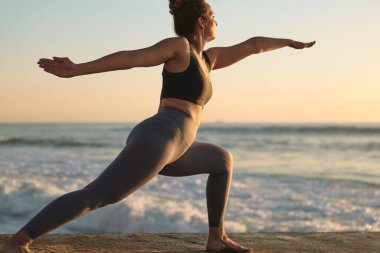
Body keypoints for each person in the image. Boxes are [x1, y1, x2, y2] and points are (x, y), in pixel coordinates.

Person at [0, 0, 315, 252]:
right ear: (202, 22)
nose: (219, 22)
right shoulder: (178, 47)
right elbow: (131, 58)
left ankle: (216, 238)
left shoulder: (209, 59)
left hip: (177, 145)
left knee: (221, 162)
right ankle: (18, 242)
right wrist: (78, 69)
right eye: (214, 15)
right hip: (161, 135)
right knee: (98, 195)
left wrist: (288, 42)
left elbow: (254, 44)